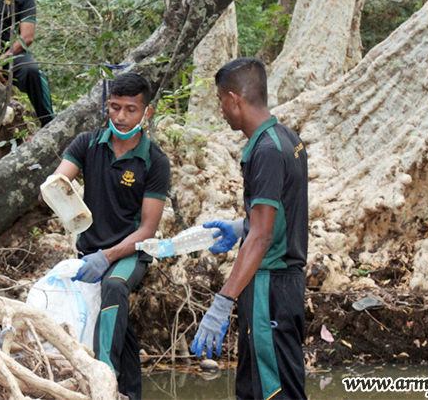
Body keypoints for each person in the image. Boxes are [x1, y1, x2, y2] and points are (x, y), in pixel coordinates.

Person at [192, 57, 308, 400]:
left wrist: (222, 302)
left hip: (269, 287)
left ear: (234, 99)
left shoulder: (267, 150)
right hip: (281, 286)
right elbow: (277, 216)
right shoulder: (287, 138)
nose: (221, 110)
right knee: (254, 389)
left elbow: (262, 236)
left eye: (220, 101)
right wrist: (239, 227)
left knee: (274, 392)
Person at [50, 72, 170, 400]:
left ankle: (102, 378)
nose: (120, 116)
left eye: (131, 109)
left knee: (113, 287)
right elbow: (57, 183)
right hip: (89, 251)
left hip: (131, 252)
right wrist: (56, 192)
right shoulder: (88, 143)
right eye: (114, 107)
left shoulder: (154, 161)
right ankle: (130, 393)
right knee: (116, 322)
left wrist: (108, 256)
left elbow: (148, 228)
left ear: (147, 112)